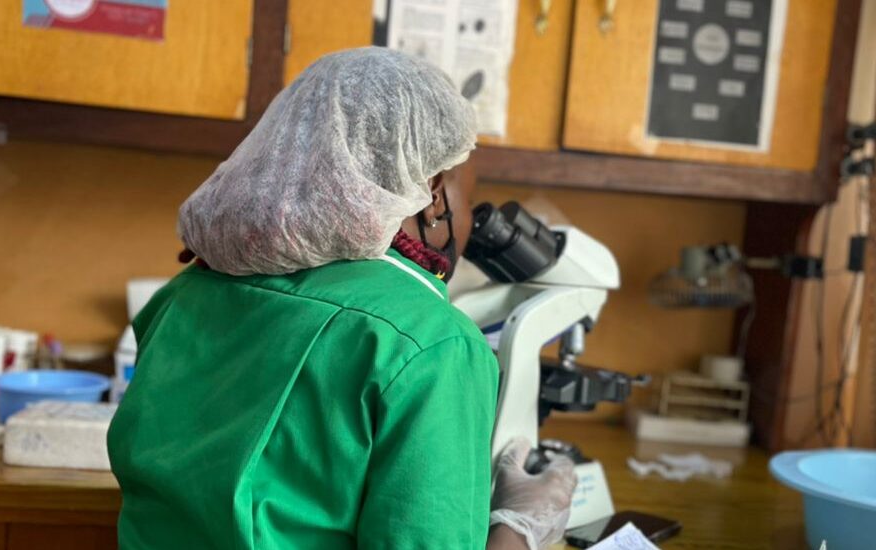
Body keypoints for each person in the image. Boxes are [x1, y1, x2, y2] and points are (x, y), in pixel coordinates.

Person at [107, 47, 577, 550]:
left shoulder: (185, 293)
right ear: (434, 193)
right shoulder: (433, 344)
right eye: (467, 196)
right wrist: (520, 529)